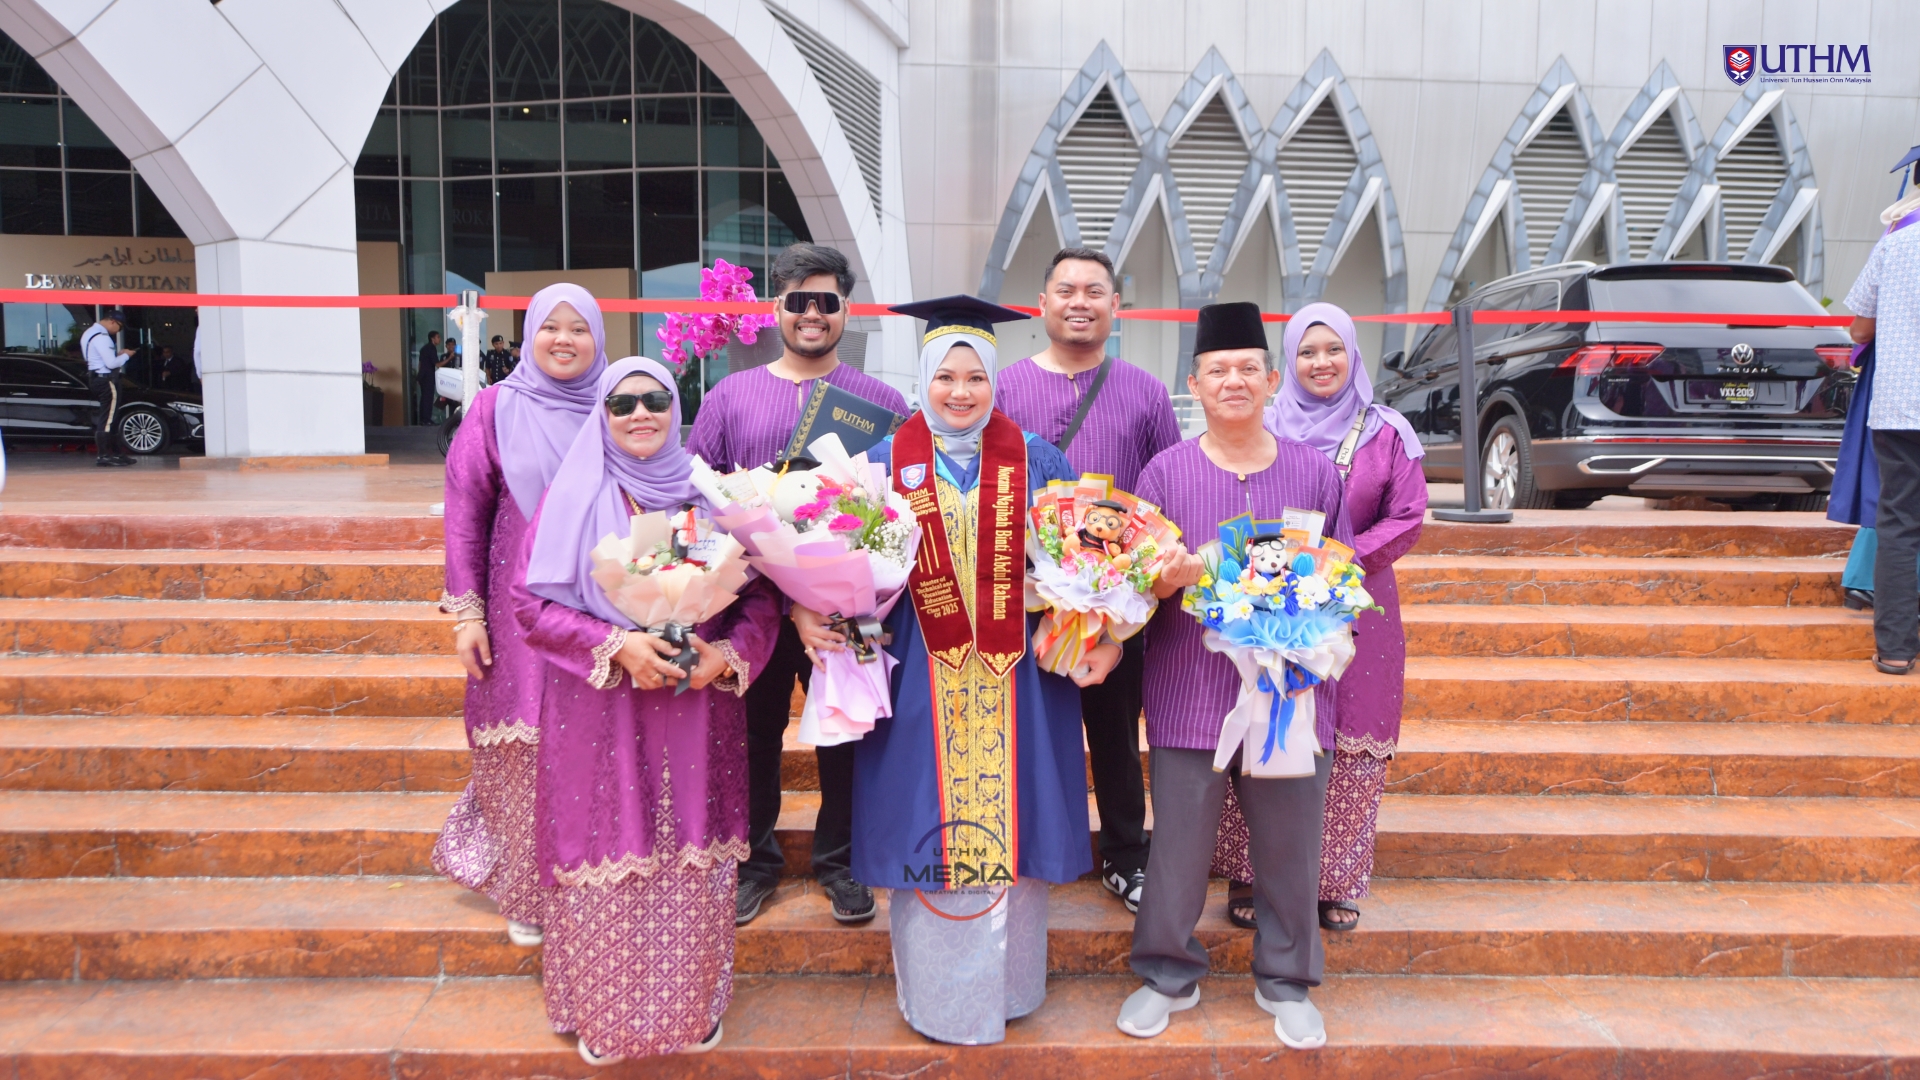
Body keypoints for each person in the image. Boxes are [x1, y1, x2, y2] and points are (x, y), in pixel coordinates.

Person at [802, 294, 1094, 1046]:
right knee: (923, 821)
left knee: (1016, 818)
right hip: (918, 680)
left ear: (995, 382)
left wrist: (1084, 612)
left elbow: (1080, 564)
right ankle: (941, 1000)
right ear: (923, 379)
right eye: (945, 377)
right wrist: (826, 618)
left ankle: (1012, 986)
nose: (960, 392)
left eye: (976, 378)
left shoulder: (1039, 460)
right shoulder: (877, 464)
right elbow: (840, 577)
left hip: (1018, 682)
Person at [514, 356, 780, 1064]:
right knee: (603, 837)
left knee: (691, 839)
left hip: (696, 708)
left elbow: (759, 597)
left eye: (655, 400)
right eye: (622, 402)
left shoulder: (707, 493)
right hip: (597, 707)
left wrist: (729, 655)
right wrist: (616, 644)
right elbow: (529, 605)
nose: (640, 414)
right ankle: (602, 1011)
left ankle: (689, 1007)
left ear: (675, 408)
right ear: (601, 414)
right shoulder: (572, 495)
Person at [1117, 301, 1350, 1051]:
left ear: (1272, 379)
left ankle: (1286, 978)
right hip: (1190, 689)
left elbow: (1342, 576)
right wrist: (1166, 577)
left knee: (1290, 843)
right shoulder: (1165, 471)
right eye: (1218, 370)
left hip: (1289, 694)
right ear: (1194, 384)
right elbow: (1136, 583)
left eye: (1249, 367)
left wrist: (1318, 641)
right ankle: (1167, 974)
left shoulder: (1313, 471)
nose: (1234, 381)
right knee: (1178, 844)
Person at [685, 243, 907, 927]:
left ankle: (844, 863)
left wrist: (863, 592)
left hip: (855, 605)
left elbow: (901, 510)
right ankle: (754, 863)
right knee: (751, 736)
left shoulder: (881, 403)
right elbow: (697, 505)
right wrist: (753, 597)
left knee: (853, 734)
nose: (813, 314)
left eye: (826, 301)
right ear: (775, 308)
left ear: (847, 310)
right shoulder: (729, 397)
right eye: (798, 301)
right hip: (749, 608)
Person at [1207, 302, 1428, 933]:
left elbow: (1407, 515)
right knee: (1266, 716)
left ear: (1353, 353)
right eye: (1307, 351)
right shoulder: (1263, 423)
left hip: (1359, 606)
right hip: (1267, 601)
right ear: (1288, 360)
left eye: (1333, 349)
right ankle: (1250, 873)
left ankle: (1334, 881)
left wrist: (1333, 564)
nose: (1321, 362)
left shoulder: (1387, 432)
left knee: (1351, 733)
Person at [995, 247, 1180, 912]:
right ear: (1042, 302)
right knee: (1027, 729)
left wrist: (1146, 580)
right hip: (1025, 595)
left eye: (1094, 291)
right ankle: (1023, 848)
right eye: (1066, 289)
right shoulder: (1004, 388)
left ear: (1115, 306)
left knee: (1115, 732)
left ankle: (1126, 855)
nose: (1080, 302)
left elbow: (1166, 483)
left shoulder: (1145, 392)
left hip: (1117, 602)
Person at [433, 285, 609, 948]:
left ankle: (588, 880)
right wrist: (467, 614)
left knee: (596, 742)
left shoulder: (618, 403)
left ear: (598, 338)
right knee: (521, 740)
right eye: (550, 327)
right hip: (514, 609)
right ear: (530, 335)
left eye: (579, 328)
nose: (564, 340)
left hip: (601, 603)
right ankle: (525, 890)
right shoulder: (495, 408)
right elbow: (465, 513)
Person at [1831, 146, 1920, 613]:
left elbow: (1861, 328)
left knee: (1897, 511)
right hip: (1898, 394)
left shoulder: (1898, 235)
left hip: (1899, 395)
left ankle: (1886, 620)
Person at [82, 309, 136, 467]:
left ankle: (117, 454)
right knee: (108, 419)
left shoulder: (89, 333)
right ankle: (104, 455)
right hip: (106, 380)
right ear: (113, 321)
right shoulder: (102, 337)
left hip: (96, 378)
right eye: (120, 326)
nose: (118, 331)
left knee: (112, 417)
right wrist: (126, 356)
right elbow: (111, 364)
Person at [417, 330, 443, 425]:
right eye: (438, 337)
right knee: (428, 398)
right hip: (428, 376)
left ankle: (423, 419)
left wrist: (419, 376)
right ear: (433, 338)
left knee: (424, 398)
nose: (439, 339)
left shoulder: (424, 348)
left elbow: (420, 364)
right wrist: (451, 357)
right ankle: (426, 419)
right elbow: (438, 364)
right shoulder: (431, 348)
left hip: (423, 376)